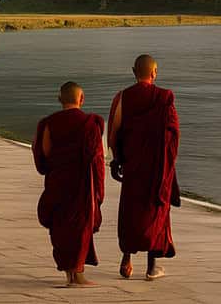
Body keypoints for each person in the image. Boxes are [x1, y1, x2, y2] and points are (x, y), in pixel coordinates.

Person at [107, 54, 180, 281]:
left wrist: (116, 159)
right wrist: (167, 162)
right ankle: (151, 268)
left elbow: (113, 132)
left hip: (133, 165)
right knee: (156, 213)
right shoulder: (164, 98)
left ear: (133, 71)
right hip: (157, 168)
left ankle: (127, 259)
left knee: (130, 211)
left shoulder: (123, 98)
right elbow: (173, 135)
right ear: (154, 73)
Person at [32, 81, 106, 287]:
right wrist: (99, 190)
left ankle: (69, 273)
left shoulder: (48, 123)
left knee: (61, 227)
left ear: (59, 99)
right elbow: (97, 160)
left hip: (58, 183)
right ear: (81, 99)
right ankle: (78, 274)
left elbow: (43, 155)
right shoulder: (91, 123)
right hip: (82, 186)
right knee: (80, 228)